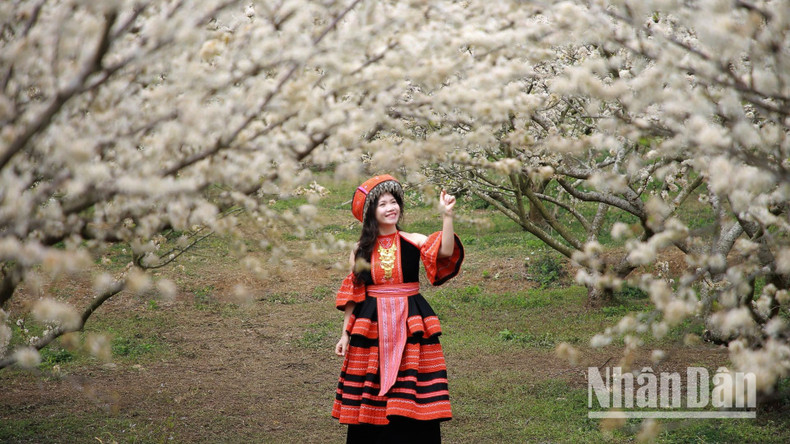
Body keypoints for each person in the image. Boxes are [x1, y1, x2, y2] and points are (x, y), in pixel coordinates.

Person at [332, 175, 464, 444]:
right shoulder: (360, 250)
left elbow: (446, 250)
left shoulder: (413, 239)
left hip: (410, 322)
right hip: (371, 326)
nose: (391, 207)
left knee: (411, 384)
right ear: (371, 213)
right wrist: (345, 334)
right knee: (371, 385)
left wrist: (447, 217)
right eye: (383, 204)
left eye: (394, 202)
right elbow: (355, 293)